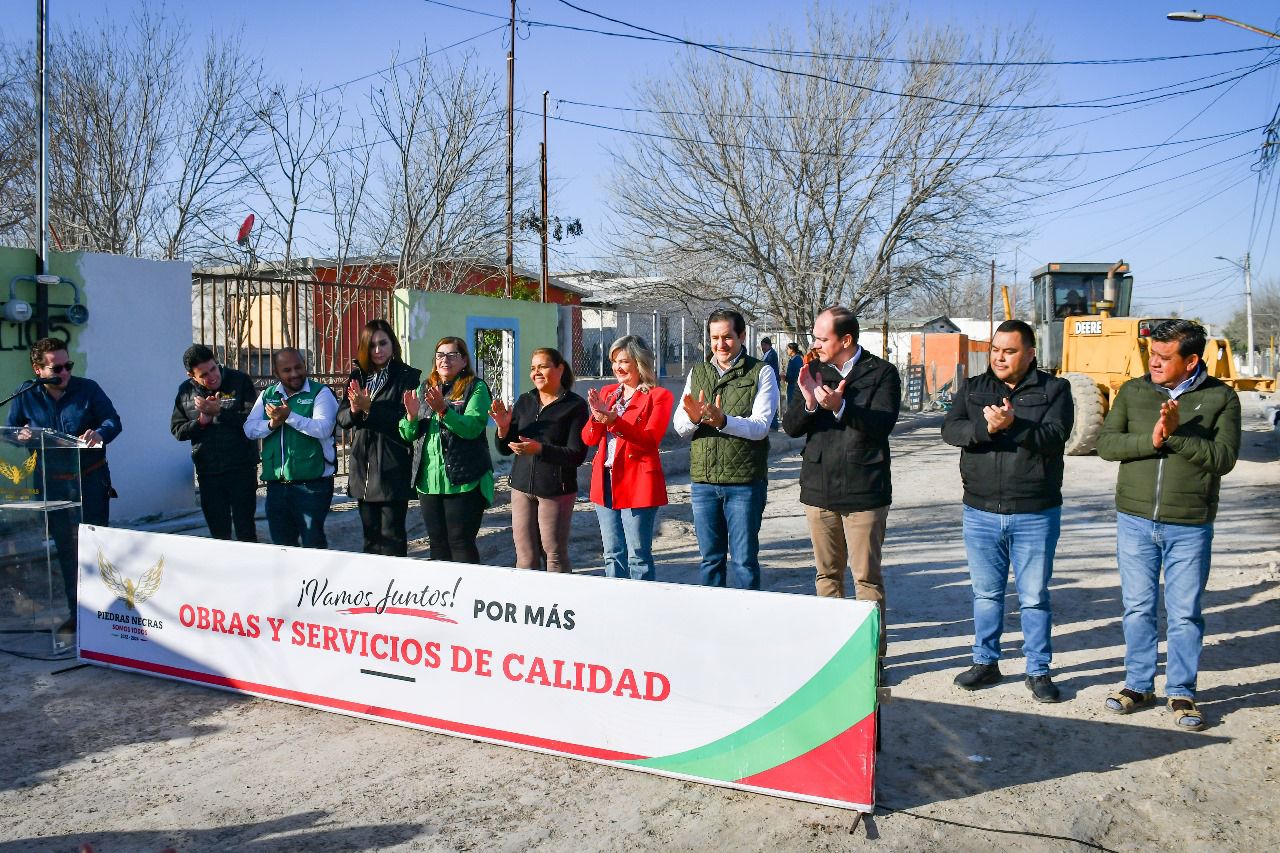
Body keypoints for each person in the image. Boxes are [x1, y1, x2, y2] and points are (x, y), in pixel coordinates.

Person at [1097, 319, 1240, 732]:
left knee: (1184, 614)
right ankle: (1138, 685)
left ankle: (1182, 690)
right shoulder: (1133, 391)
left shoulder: (1221, 398)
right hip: (1135, 520)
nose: (1154, 363)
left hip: (1189, 524)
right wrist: (1154, 439)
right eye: (1151, 355)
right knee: (1138, 608)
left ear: (1191, 359)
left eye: (1164, 357)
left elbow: (1224, 458)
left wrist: (1176, 437)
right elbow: (1108, 445)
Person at [941, 320, 1073, 703]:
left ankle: (1038, 670)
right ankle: (986, 662)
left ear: (1029, 354)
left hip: (1034, 511)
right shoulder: (974, 388)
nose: (999, 357)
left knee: (1033, 596)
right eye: (996, 349)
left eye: (1009, 350)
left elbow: (1054, 437)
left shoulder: (1054, 389)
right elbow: (952, 430)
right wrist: (988, 430)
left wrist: (1013, 425)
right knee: (985, 594)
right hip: (980, 510)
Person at [782, 307, 900, 657]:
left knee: (866, 579)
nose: (815, 344)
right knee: (827, 577)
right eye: (815, 337)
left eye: (822, 338)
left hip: (864, 490)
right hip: (819, 489)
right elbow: (790, 427)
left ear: (845, 339)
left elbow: (881, 425)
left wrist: (840, 407)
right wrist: (807, 401)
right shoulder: (814, 370)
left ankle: (869, 660)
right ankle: (830, 656)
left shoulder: (881, 373)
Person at [6, 337, 121, 635]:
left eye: (68, 365)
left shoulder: (88, 389)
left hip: (90, 482)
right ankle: (78, 614)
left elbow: (113, 420)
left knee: (96, 550)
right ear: (38, 369)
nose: (65, 372)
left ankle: (104, 615)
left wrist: (100, 433)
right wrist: (23, 435)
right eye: (57, 367)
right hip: (54, 486)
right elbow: (14, 428)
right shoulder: (26, 393)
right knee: (68, 551)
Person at [674, 309, 778, 589]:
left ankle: (747, 622)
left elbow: (760, 426)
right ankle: (713, 622)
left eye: (728, 337)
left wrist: (723, 421)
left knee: (743, 560)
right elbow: (680, 426)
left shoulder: (761, 372)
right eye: (715, 338)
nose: (721, 345)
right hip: (704, 483)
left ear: (742, 336)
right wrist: (695, 419)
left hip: (744, 484)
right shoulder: (698, 372)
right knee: (710, 559)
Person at [582, 335, 674, 581]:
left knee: (638, 556)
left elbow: (649, 440)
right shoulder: (608, 392)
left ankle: (641, 610)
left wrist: (614, 421)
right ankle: (614, 608)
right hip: (605, 481)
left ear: (639, 362)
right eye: (614, 361)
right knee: (612, 553)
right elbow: (589, 439)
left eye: (624, 361)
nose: (617, 367)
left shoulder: (658, 396)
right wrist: (597, 416)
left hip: (638, 482)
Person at [491, 348, 589, 572]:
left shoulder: (575, 406)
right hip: (521, 486)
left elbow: (577, 454)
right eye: (533, 368)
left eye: (542, 366)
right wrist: (503, 429)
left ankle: (559, 603)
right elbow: (505, 450)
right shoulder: (525, 400)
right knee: (525, 556)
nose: (536, 372)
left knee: (553, 554)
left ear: (560, 369)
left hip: (556, 489)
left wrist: (539, 449)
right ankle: (529, 604)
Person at [401, 336, 493, 564]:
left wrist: (444, 410)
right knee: (437, 543)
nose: (445, 360)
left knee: (460, 542)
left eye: (452, 355)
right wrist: (411, 417)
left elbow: (472, 428)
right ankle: (443, 595)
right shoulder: (425, 387)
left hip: (464, 479)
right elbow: (408, 434)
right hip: (429, 482)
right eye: (440, 355)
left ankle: (466, 594)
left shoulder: (475, 387)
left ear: (463, 360)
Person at [337, 320, 421, 556]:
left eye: (383, 343)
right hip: (363, 467)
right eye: (371, 345)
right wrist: (355, 410)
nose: (378, 350)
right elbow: (342, 419)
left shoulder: (407, 377)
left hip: (392, 465)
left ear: (392, 344)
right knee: (370, 538)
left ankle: (395, 590)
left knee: (393, 538)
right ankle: (372, 590)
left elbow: (403, 421)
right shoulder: (358, 377)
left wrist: (370, 407)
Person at [243, 348, 338, 549]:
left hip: (313, 485)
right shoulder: (268, 395)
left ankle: (315, 581)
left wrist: (289, 417)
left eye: (298, 367)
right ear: (277, 373)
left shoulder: (320, 392)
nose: (294, 374)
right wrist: (272, 424)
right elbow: (249, 429)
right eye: (287, 370)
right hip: (277, 486)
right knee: (283, 547)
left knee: (313, 544)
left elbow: (324, 428)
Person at [171, 344, 259, 542]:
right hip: (209, 472)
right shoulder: (185, 392)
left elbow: (253, 422)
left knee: (246, 529)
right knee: (219, 533)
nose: (212, 376)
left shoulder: (240, 380)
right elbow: (177, 430)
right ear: (191, 375)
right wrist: (201, 422)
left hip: (241, 468)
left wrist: (220, 412)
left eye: (213, 368)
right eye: (203, 374)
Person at [759, 336, 781, 429]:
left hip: (773, 381)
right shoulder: (767, 354)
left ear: (769, 345)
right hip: (769, 381)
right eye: (762, 345)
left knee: (772, 401)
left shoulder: (772, 354)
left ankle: (774, 424)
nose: (762, 347)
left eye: (764, 345)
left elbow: (766, 365)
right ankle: (772, 423)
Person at [784, 342, 804, 410]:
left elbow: (798, 374)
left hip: (795, 386)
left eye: (788, 349)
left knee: (794, 406)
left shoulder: (797, 359)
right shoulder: (792, 359)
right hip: (791, 385)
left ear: (792, 349)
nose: (787, 350)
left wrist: (787, 378)